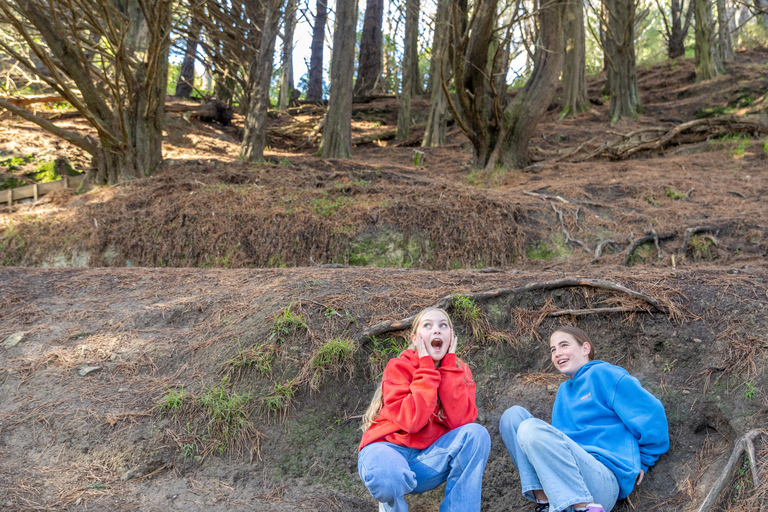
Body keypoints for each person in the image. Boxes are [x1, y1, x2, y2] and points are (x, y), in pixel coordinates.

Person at [499, 326, 669, 512]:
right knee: (512, 417)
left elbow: (651, 413)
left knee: (530, 429)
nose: (557, 353)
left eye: (564, 345)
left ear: (585, 348)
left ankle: (585, 508)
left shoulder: (604, 374)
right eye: (553, 349)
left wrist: (645, 459)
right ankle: (545, 503)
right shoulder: (563, 393)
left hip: (602, 482)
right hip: (564, 483)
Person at [357, 307, 490, 512]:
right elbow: (412, 421)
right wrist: (427, 366)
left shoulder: (460, 371)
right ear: (415, 338)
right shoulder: (399, 366)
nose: (436, 330)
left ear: (451, 336)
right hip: (388, 450)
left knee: (477, 434)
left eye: (443, 325)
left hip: (427, 460)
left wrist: (448, 370)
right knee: (389, 476)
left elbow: (460, 423)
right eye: (427, 325)